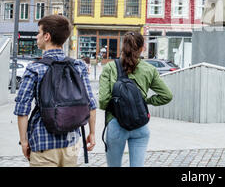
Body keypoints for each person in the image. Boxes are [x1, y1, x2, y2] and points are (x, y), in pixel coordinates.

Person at [14, 15, 97, 167]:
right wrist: (92, 133)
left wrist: (24, 141)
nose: (36, 36)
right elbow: (91, 103)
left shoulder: (35, 68)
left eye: (39, 32)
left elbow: (22, 109)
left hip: (43, 144)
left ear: (47, 36)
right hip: (71, 142)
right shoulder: (79, 66)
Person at [99, 32, 173, 167]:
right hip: (140, 125)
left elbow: (103, 101)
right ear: (142, 48)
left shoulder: (110, 67)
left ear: (123, 47)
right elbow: (167, 96)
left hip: (116, 124)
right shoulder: (149, 69)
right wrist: (145, 100)